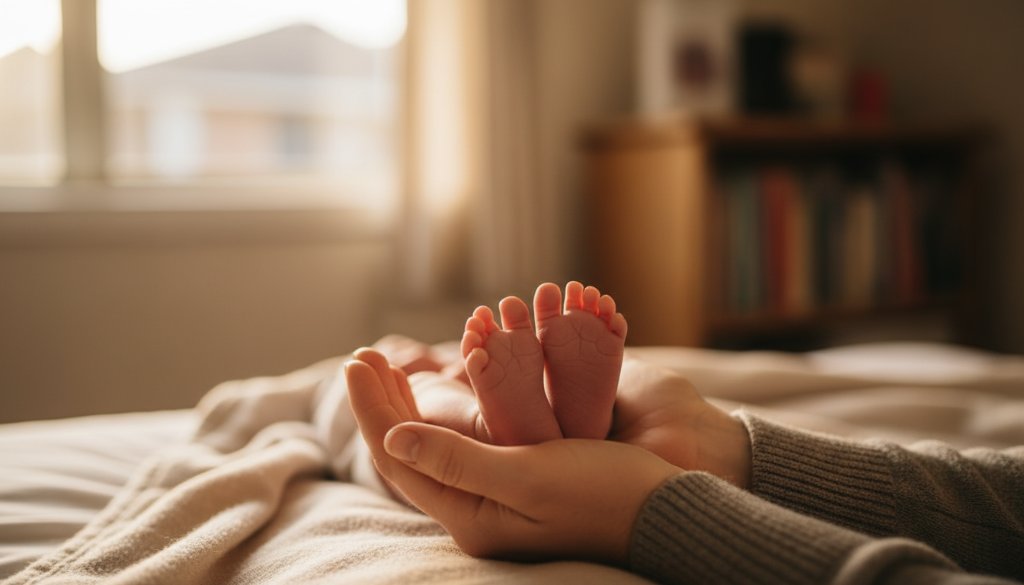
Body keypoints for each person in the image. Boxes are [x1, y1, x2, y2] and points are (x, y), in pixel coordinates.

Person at [347, 282, 1024, 584]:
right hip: (478, 382)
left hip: (425, 387)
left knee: (408, 401)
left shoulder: (401, 365)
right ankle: (540, 416)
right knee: (426, 387)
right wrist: (721, 446)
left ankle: (493, 422)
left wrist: (651, 513)